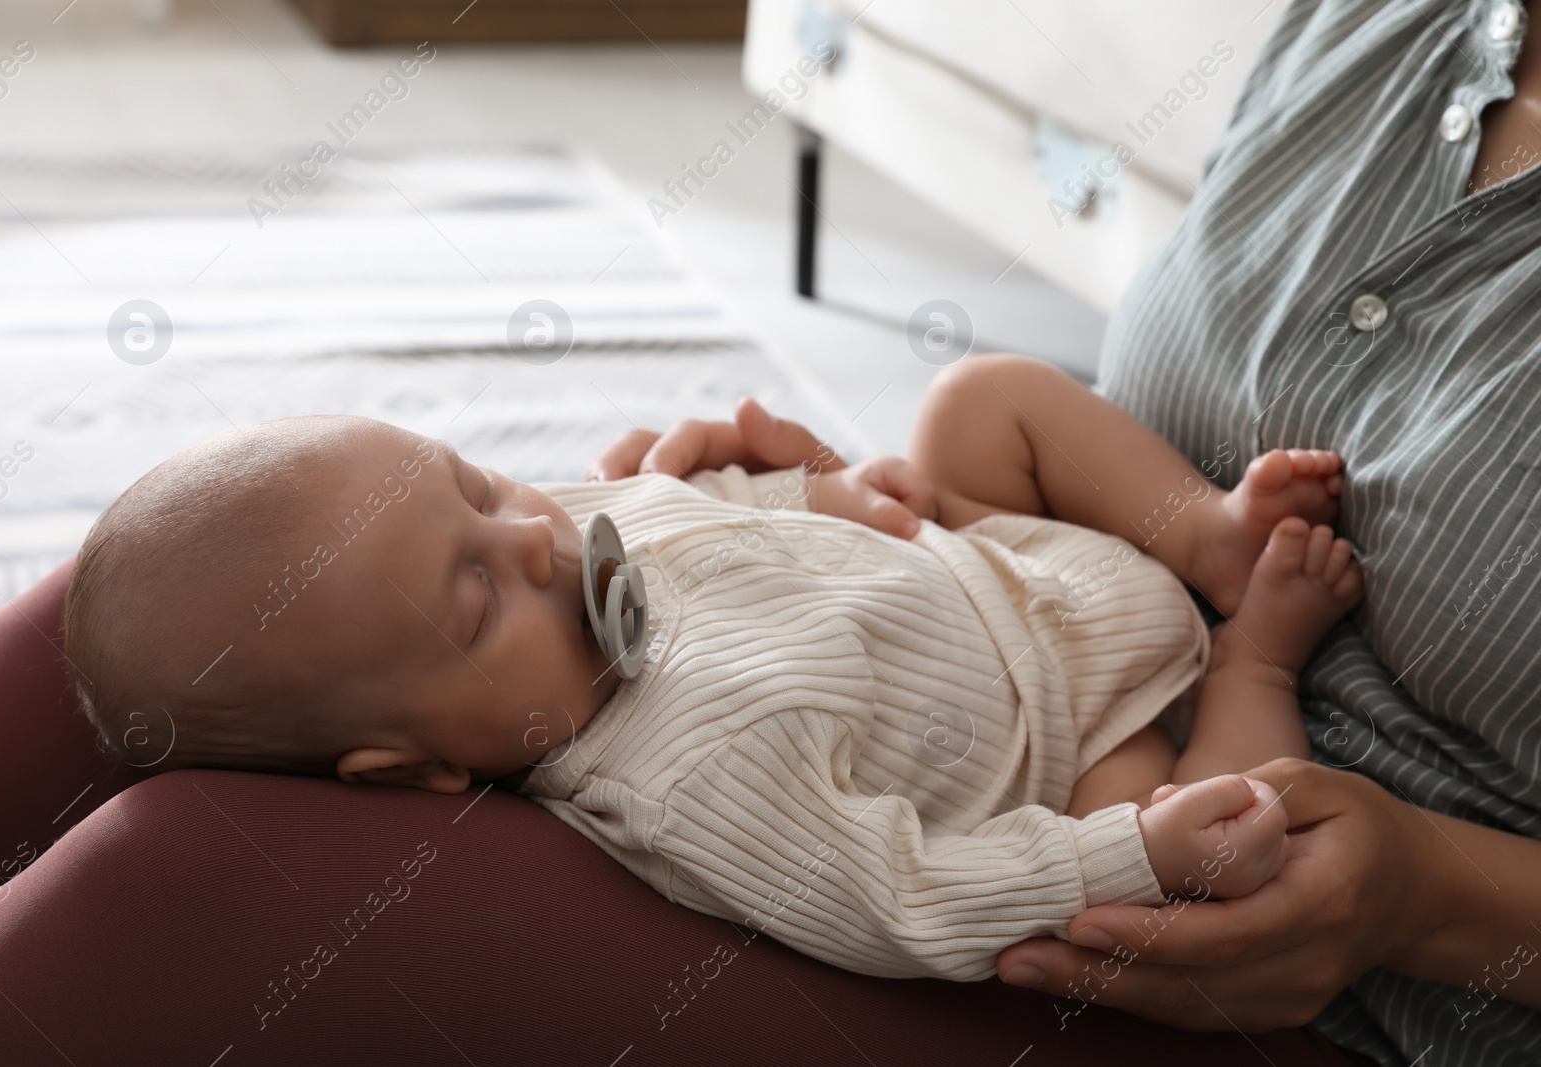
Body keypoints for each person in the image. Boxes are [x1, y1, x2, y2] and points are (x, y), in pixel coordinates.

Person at [588, 1, 1541, 1058]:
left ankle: (1252, 662)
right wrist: (843, 530)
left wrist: (1425, 893)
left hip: (1311, 966)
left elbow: (955, 882)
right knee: (971, 400)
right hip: (1047, 643)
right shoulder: (1381, 22)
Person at [62, 361, 1357, 981]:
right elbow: (903, 893)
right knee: (1230, 853)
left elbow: (705, 498)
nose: (528, 534)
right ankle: (1252, 645)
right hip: (1080, 733)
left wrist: (834, 484)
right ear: (421, 762)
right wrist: (1124, 849)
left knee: (980, 399)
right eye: (473, 595)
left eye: (473, 481)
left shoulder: (549, 540)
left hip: (990, 556)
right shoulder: (688, 781)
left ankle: (1206, 534)